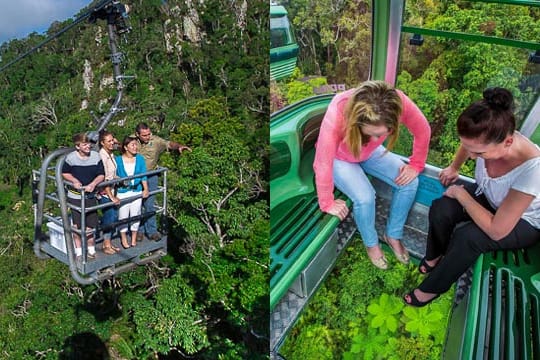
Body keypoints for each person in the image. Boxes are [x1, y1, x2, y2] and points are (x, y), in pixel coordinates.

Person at [404, 87, 540, 307]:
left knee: (468, 237)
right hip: (492, 196)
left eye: (479, 154)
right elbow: (468, 145)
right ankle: (434, 255)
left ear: (507, 142)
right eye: (470, 149)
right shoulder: (486, 137)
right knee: (442, 208)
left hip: (522, 220)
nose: (473, 156)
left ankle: (433, 288)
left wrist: (460, 193)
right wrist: (454, 167)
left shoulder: (532, 170)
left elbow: (497, 230)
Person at [313, 80, 431, 269]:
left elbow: (423, 129)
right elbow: (322, 162)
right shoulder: (338, 112)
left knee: (410, 183)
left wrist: (416, 164)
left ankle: (393, 234)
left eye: (382, 134)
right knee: (366, 198)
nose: (377, 139)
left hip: (369, 153)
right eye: (371, 134)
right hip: (340, 157)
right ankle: (371, 244)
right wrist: (326, 201)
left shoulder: (399, 102)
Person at [134, 122, 191, 241]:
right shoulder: (132, 140)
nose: (148, 137)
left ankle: (151, 231)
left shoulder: (155, 141)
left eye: (149, 134)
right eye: (144, 135)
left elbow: (168, 144)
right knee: (137, 205)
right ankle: (138, 230)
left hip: (151, 176)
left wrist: (179, 146)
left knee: (149, 204)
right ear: (137, 134)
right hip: (135, 177)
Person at [62, 132, 105, 259]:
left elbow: (101, 174)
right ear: (78, 146)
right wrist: (74, 181)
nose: (88, 147)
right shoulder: (71, 158)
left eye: (89, 144)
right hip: (75, 196)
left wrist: (93, 184)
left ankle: (91, 249)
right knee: (77, 225)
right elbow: (65, 172)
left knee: (90, 224)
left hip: (90, 196)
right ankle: (79, 251)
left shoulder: (96, 157)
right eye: (84, 144)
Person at [116, 136, 149, 248]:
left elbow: (143, 174)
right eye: (132, 145)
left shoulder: (139, 158)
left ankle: (133, 237)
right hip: (123, 191)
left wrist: (146, 189)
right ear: (126, 147)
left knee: (136, 214)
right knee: (123, 215)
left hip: (136, 190)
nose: (135, 147)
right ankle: (124, 238)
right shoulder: (118, 160)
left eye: (136, 144)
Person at [98, 130, 121, 255]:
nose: (112, 143)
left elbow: (112, 174)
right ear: (102, 143)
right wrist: (111, 196)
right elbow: (105, 178)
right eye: (109, 141)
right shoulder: (102, 156)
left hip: (111, 189)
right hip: (105, 192)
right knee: (110, 216)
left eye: (113, 140)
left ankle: (109, 242)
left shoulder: (110, 154)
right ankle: (106, 244)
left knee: (112, 216)